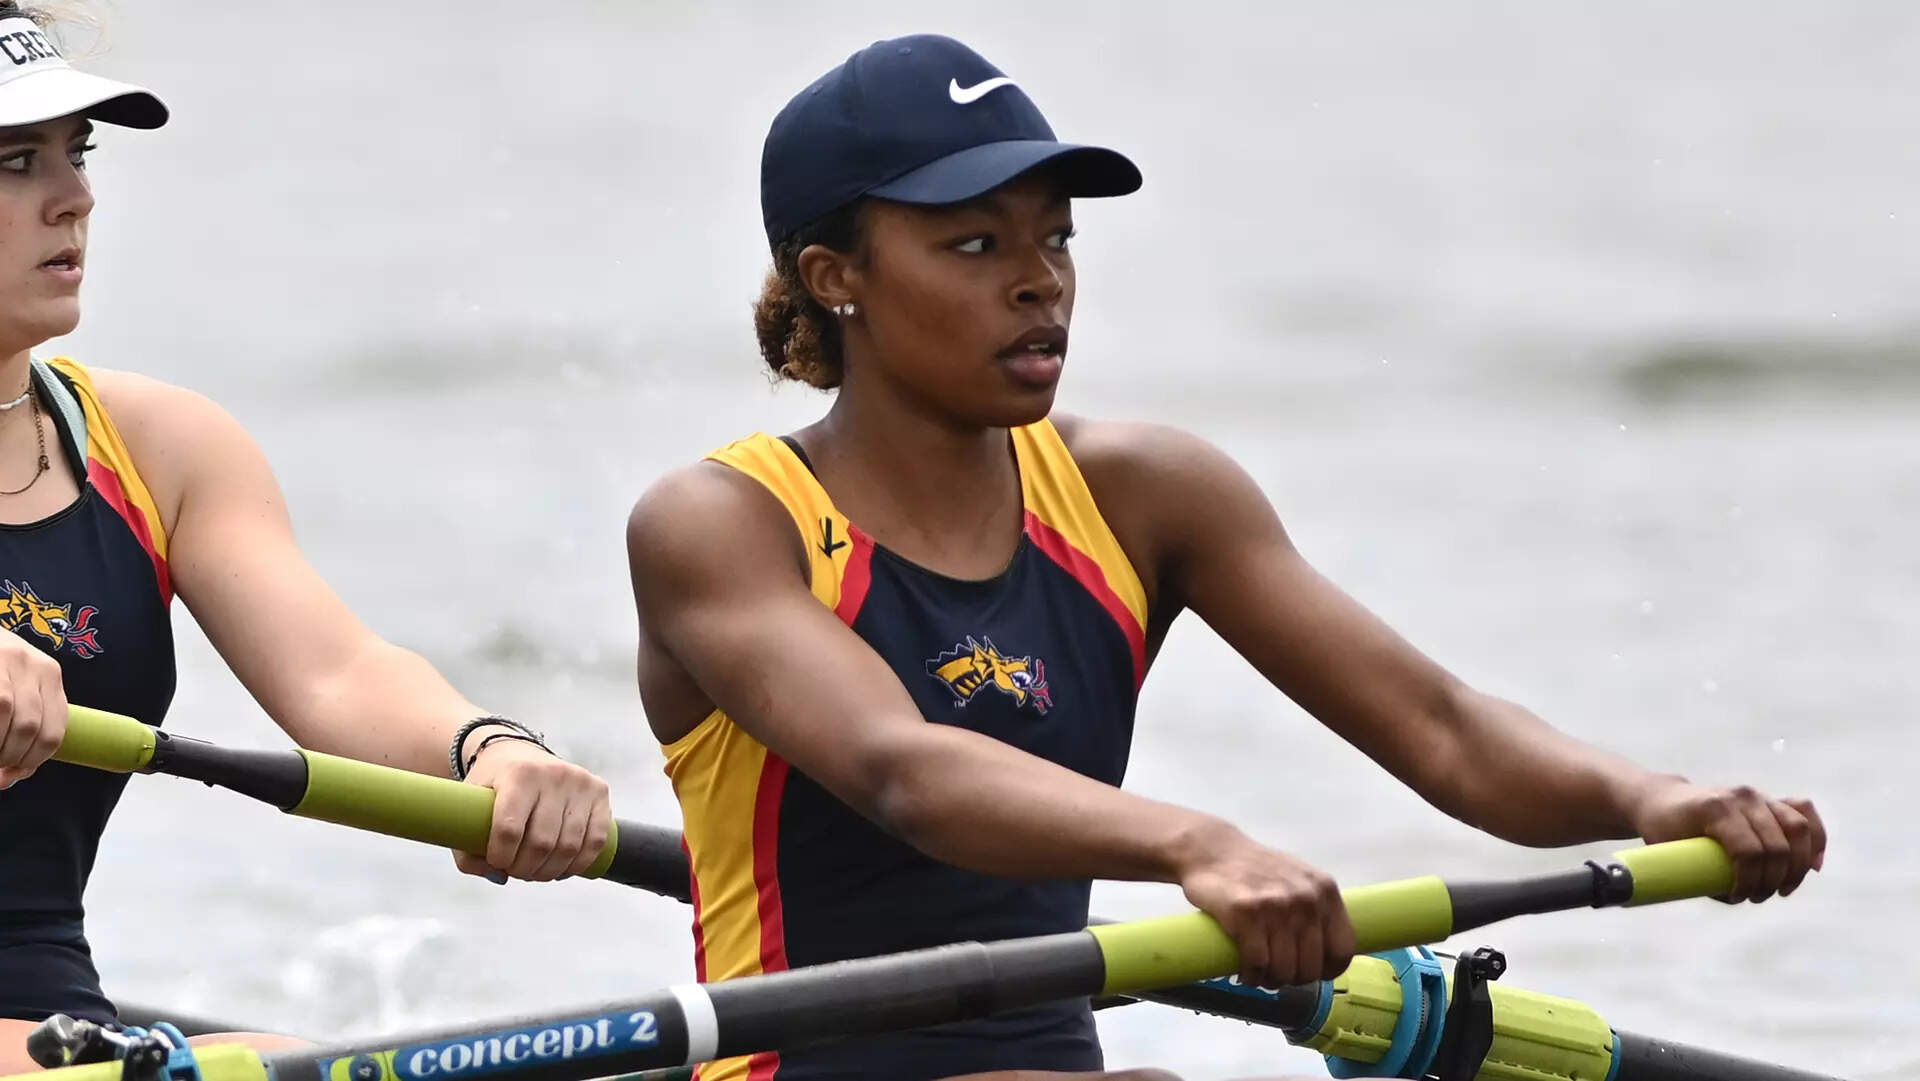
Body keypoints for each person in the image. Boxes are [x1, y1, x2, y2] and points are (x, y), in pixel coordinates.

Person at [626, 33, 1825, 1081]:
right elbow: (906, 771)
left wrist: (1652, 799)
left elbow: (1445, 727)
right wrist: (1200, 845)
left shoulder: (1146, 496)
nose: (1041, 281)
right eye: (977, 244)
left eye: (1057, 238)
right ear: (838, 280)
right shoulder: (722, 525)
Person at [0, 5, 614, 1068]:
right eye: (15, 161)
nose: (78, 195)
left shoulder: (157, 448)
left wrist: (491, 752)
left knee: (305, 1062)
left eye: (77, 151)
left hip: (45, 1014)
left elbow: (338, 676)